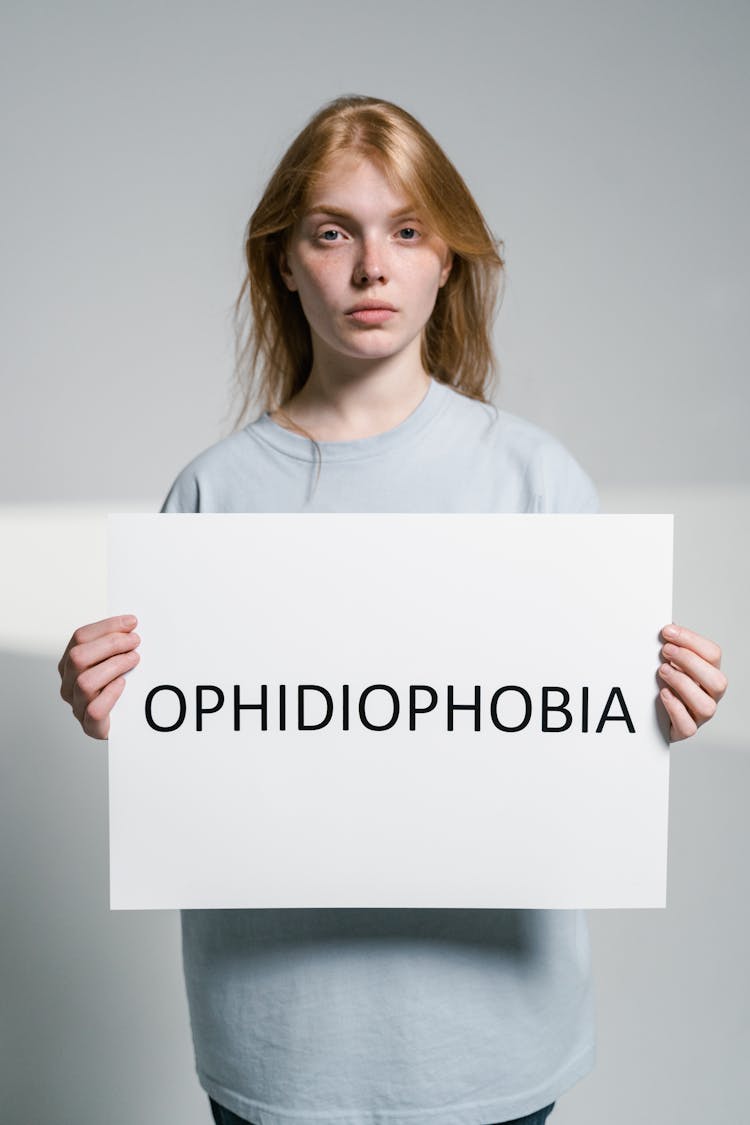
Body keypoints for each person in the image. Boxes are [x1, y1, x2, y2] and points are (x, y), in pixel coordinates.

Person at [58, 94, 728, 1125]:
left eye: (407, 231)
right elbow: (196, 756)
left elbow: (583, 747)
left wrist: (661, 709)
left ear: (445, 258)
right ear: (285, 261)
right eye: (333, 233)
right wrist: (112, 701)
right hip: (279, 1046)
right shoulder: (213, 495)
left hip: (494, 1043)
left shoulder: (535, 480)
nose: (373, 267)